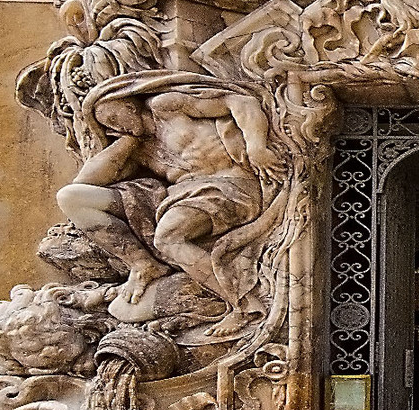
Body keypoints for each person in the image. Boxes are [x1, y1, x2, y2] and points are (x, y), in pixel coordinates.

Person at [56, 73, 287, 338]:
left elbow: (239, 101)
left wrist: (257, 147)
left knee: (168, 237)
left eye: (115, 117)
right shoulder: (139, 149)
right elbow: (84, 182)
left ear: (128, 102)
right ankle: (142, 264)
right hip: (178, 198)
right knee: (70, 197)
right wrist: (125, 141)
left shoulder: (166, 106)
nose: (116, 127)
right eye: (109, 126)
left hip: (230, 186)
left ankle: (244, 305)